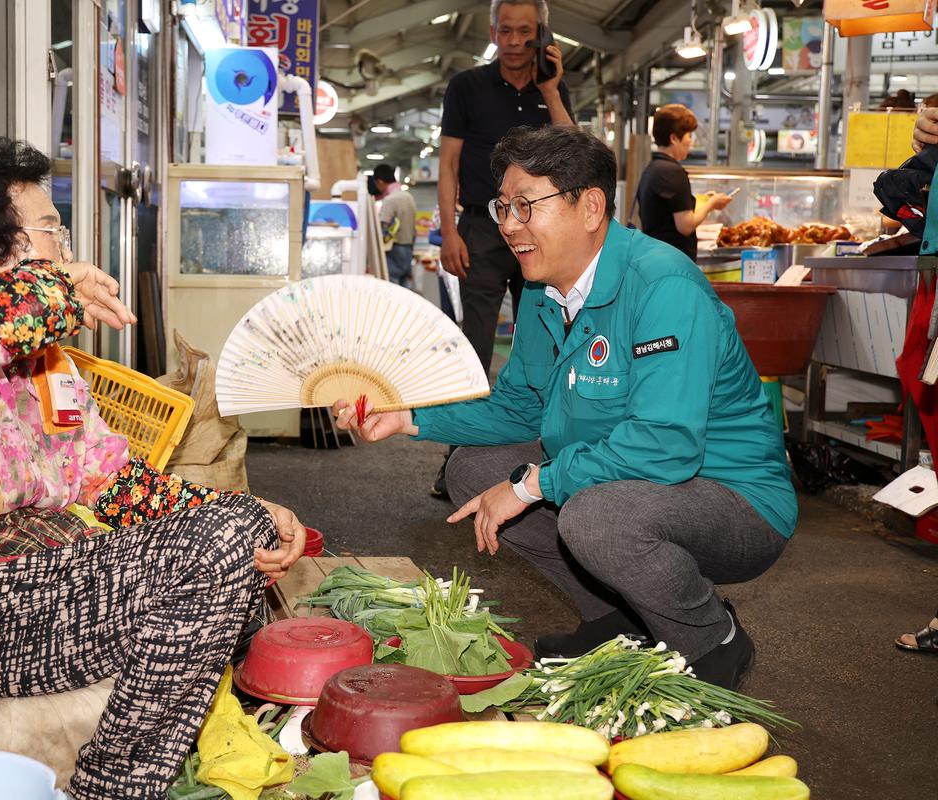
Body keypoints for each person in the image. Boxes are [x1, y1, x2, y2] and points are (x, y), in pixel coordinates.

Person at [0, 138, 307, 799]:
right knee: (223, 548)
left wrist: (250, 517)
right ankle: (110, 791)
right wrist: (61, 287)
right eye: (49, 229)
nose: (67, 246)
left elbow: (118, 484)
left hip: (28, 591)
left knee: (235, 537)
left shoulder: (50, 370)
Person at [334, 125, 797, 691]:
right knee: (473, 471)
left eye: (525, 206)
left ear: (590, 206)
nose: (507, 225)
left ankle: (712, 638)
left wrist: (531, 486)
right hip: (629, 478)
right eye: (501, 207)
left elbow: (666, 443)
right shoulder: (542, 290)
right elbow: (518, 410)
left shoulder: (662, 285)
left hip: (732, 497)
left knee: (596, 517)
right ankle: (615, 622)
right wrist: (408, 417)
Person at [433, 0, 572, 499]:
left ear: (540, 33)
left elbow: (575, 151)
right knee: (474, 347)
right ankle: (454, 462)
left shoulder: (550, 84)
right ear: (493, 31)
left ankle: (550, 458)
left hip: (542, 227)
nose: (514, 40)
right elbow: (448, 163)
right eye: (506, 31)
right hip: (482, 229)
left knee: (551, 338)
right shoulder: (466, 86)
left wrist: (552, 90)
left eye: (524, 31)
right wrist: (449, 232)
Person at [634, 104, 732, 260]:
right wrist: (711, 204)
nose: (690, 143)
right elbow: (685, 226)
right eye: (689, 136)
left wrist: (700, 200)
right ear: (674, 138)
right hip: (672, 261)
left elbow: (667, 212)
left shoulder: (653, 168)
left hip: (656, 257)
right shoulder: (672, 172)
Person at [374, 163, 418, 288]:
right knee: (405, 289)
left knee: (392, 287)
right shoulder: (409, 197)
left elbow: (383, 228)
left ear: (380, 181)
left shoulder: (390, 200)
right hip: (408, 248)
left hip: (394, 249)